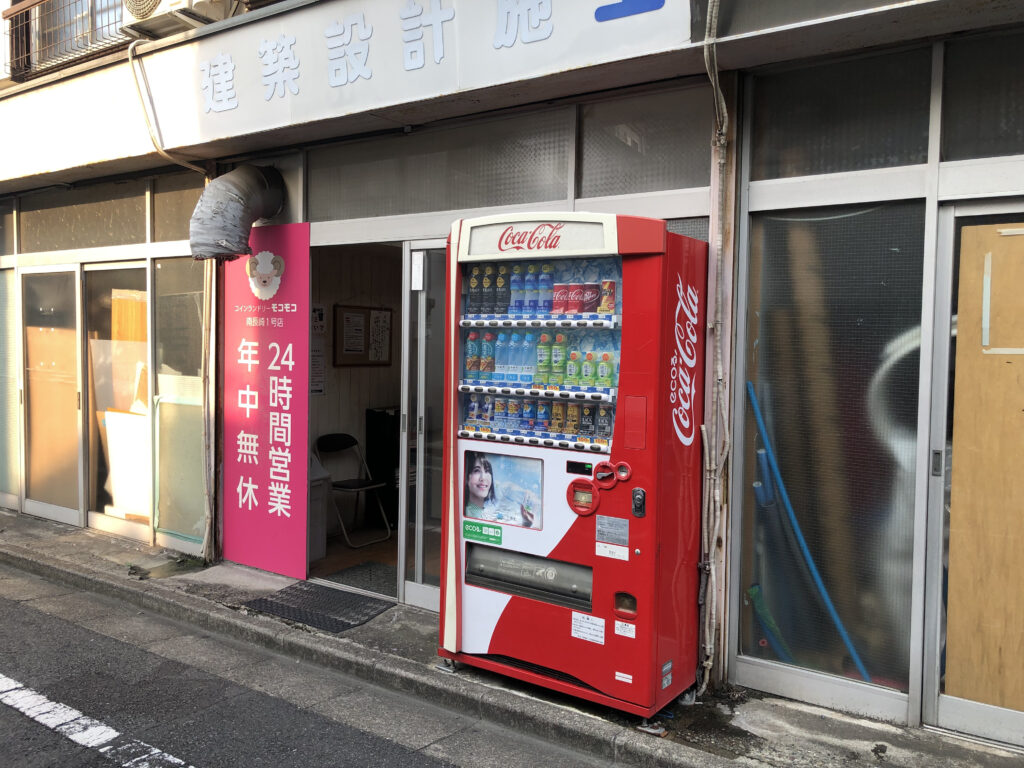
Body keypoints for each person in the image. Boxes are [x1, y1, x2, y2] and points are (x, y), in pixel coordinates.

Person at [464, 451, 534, 527]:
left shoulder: (482, 512)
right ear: (466, 477)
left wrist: (526, 522)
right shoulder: (471, 513)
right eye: (476, 471)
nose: (483, 477)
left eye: (487, 471)